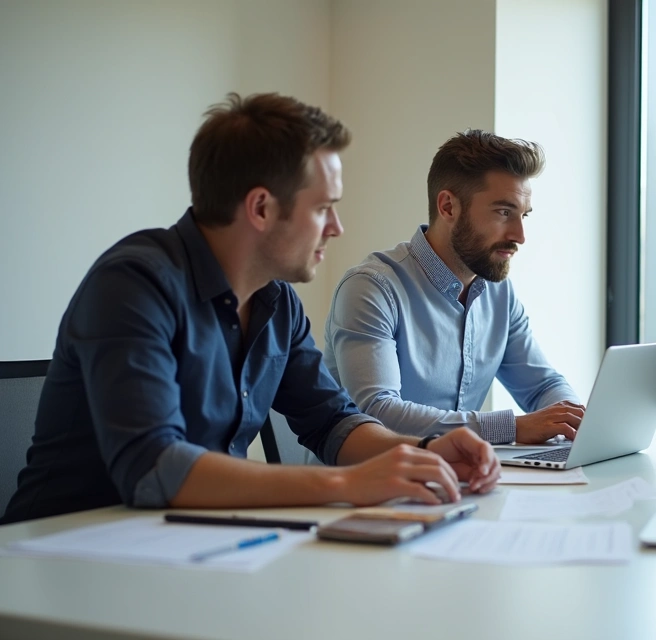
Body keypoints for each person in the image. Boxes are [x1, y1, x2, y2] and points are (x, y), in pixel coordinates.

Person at [2, 93, 499, 525]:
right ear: (261, 208)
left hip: (187, 544)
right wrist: (345, 485)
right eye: (324, 207)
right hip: (62, 553)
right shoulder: (132, 285)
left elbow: (332, 421)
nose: (336, 227)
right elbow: (155, 468)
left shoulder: (275, 299)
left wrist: (425, 450)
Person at [323, 130, 583, 445]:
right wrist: (512, 428)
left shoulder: (499, 293)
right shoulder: (371, 289)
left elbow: (542, 387)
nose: (519, 235)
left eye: (523, 215)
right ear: (448, 207)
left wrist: (572, 420)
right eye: (503, 212)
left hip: (457, 484)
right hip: (367, 488)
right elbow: (377, 413)